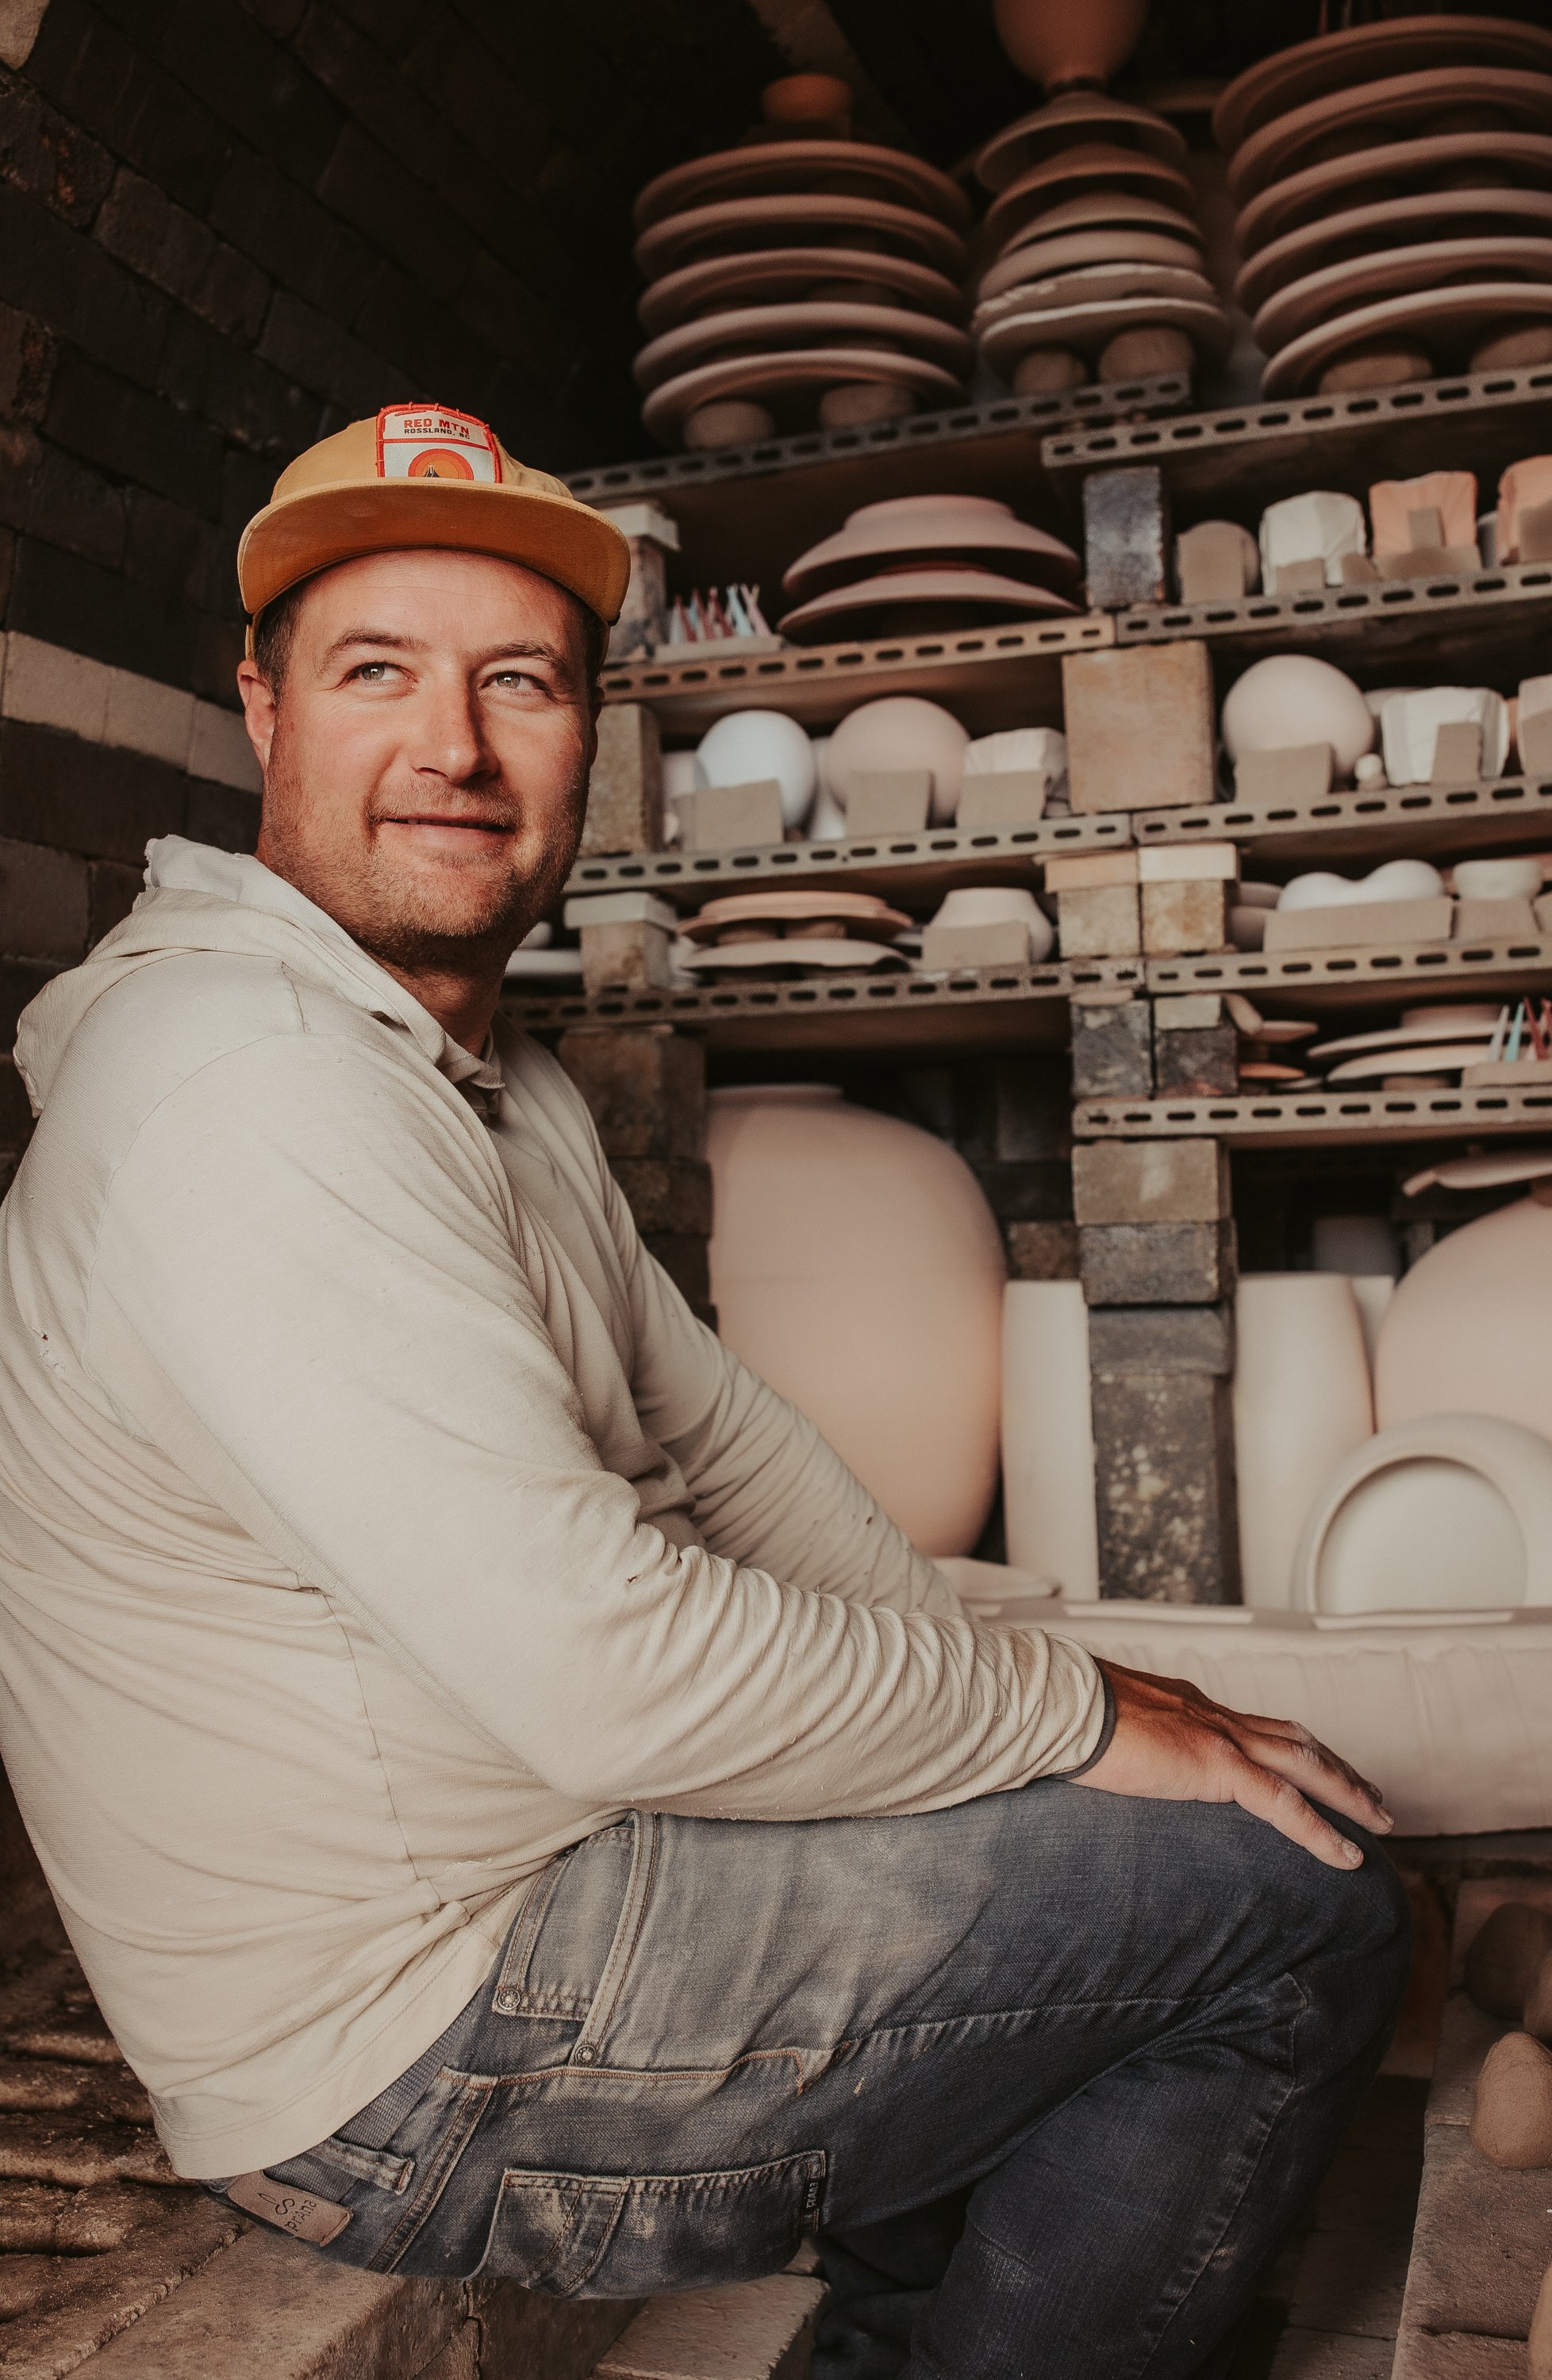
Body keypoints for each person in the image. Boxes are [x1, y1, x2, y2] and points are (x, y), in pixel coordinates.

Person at [0, 405, 1407, 2379]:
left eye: (518, 682)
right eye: (376, 672)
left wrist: (1036, 1720)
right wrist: (1065, 1713)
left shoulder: (487, 1078)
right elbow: (609, 1670)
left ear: (589, 727)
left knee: (1105, 1836)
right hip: (404, 2041)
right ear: (262, 709)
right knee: (1292, 1912)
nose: (453, 747)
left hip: (530, 1883)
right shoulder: (256, 1090)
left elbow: (731, 1455)